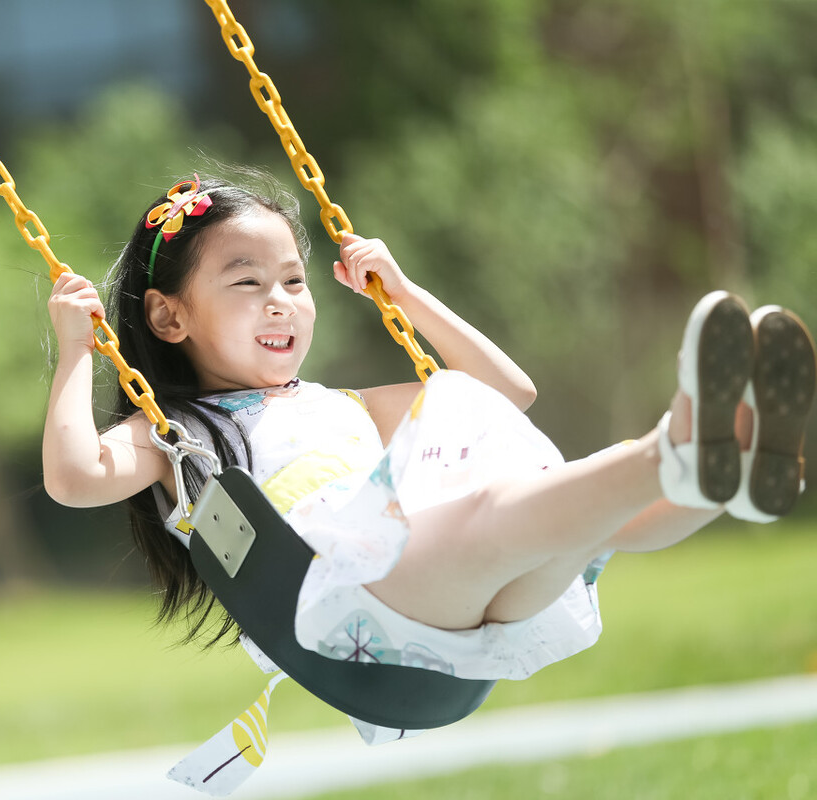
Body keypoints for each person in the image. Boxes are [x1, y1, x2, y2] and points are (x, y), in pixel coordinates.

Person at [42, 173, 816, 680]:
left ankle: (733, 471)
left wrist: (405, 295)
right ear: (169, 316)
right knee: (497, 510)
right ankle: (675, 446)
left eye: (294, 281)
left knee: (577, 518)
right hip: (352, 605)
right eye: (248, 282)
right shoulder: (182, 433)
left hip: (457, 591)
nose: (281, 301)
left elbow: (504, 393)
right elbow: (76, 478)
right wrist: (76, 355)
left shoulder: (341, 404)